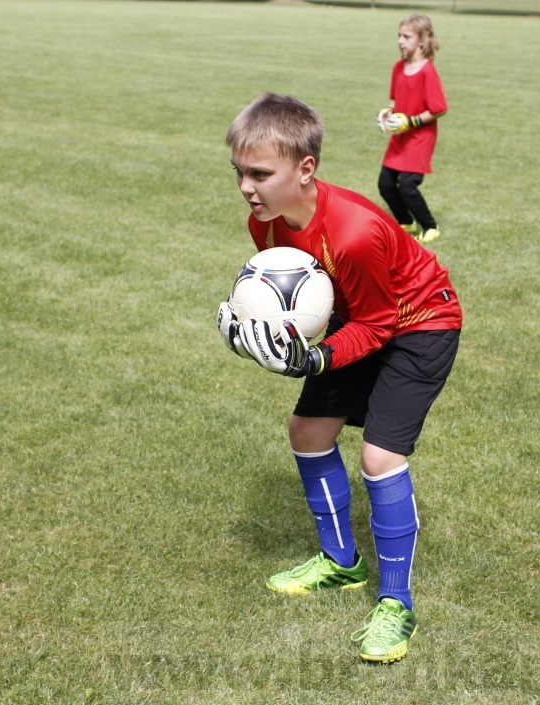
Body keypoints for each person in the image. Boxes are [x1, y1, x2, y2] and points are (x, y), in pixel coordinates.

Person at [218, 93, 462, 664]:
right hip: (361, 317)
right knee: (307, 431)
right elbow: (311, 303)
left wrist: (317, 358)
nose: (247, 188)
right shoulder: (269, 226)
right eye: (239, 173)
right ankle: (340, 563)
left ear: (306, 169)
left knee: (380, 457)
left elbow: (380, 324)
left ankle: (396, 604)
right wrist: (251, 328)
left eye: (260, 173)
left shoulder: (352, 229)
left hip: (420, 321)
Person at [376, 14, 447, 243]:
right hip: (401, 137)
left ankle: (430, 226)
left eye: (407, 36)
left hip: (420, 137)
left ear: (422, 40)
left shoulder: (427, 71)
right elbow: (396, 101)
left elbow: (439, 108)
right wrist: (386, 113)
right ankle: (405, 222)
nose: (400, 41)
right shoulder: (398, 67)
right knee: (385, 184)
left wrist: (411, 121)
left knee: (407, 185)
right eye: (399, 36)